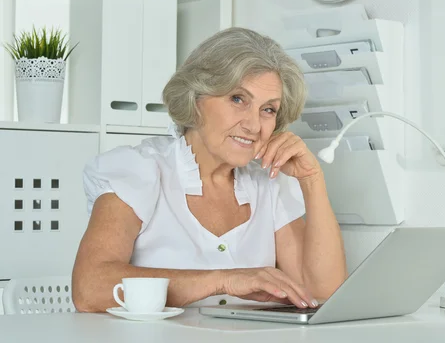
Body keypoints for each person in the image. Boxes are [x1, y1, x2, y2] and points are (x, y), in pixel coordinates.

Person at [72, 27, 348, 312]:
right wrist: (225, 281)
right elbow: (89, 288)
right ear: (196, 98)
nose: (254, 126)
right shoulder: (141, 170)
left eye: (268, 109)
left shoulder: (270, 182)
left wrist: (312, 181)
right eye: (238, 99)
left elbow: (323, 294)